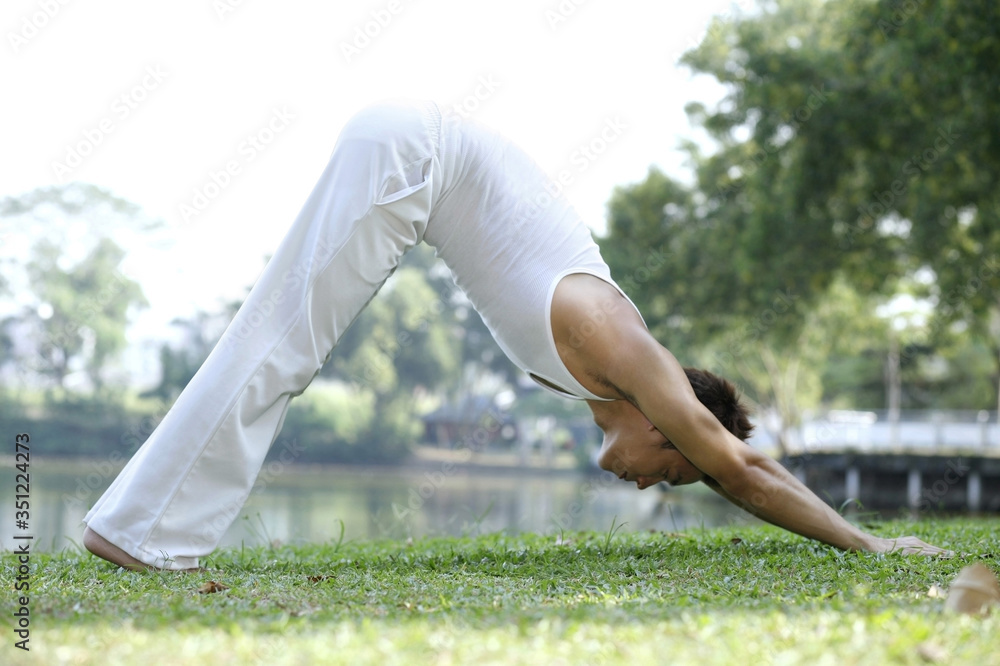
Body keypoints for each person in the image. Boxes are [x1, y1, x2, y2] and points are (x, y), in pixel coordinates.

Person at [83, 99, 948, 571]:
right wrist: (872, 543)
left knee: (283, 343)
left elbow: (729, 461)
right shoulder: (625, 350)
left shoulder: (604, 371)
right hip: (410, 157)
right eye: (675, 469)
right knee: (279, 344)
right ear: (670, 418)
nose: (657, 486)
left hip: (410, 159)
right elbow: (744, 469)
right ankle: (143, 531)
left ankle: (147, 525)